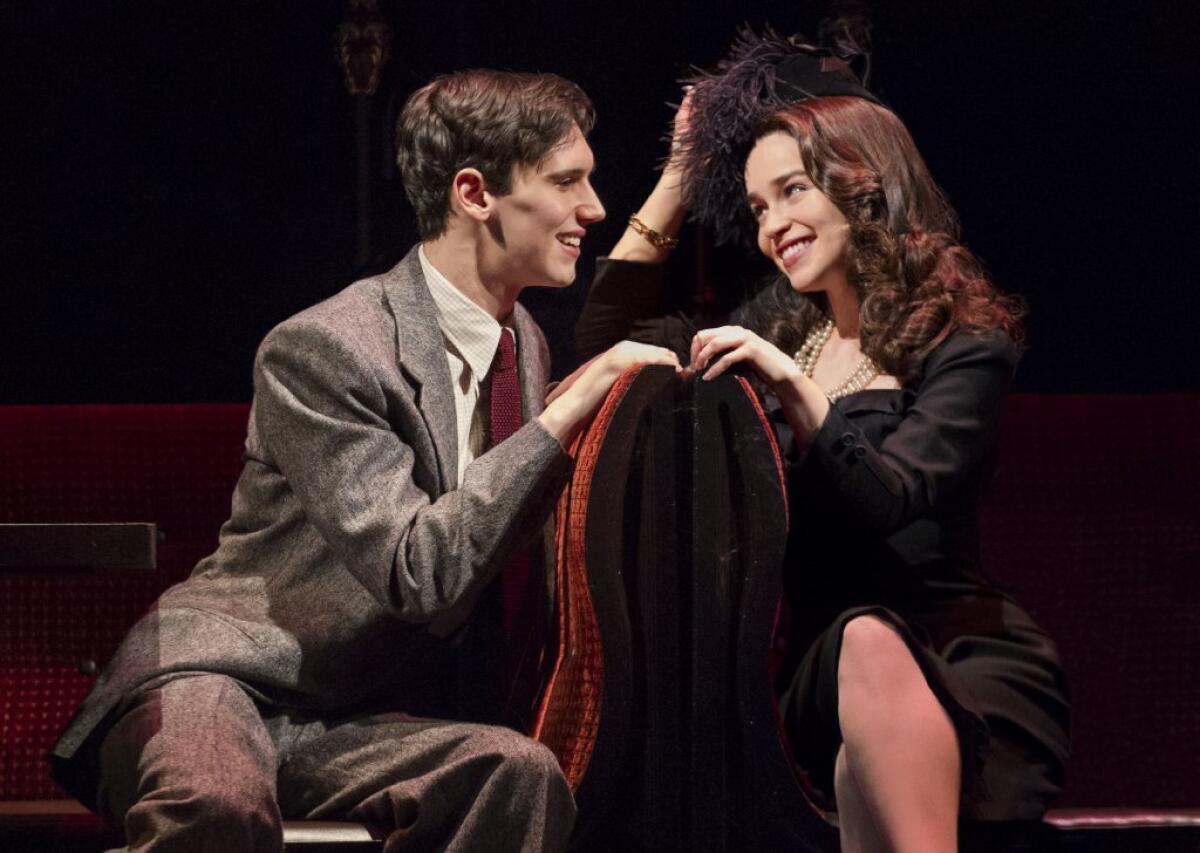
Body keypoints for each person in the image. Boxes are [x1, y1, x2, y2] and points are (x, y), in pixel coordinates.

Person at [48, 69, 679, 852]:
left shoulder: (524, 345)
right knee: (217, 807)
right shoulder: (328, 348)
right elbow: (420, 571)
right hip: (221, 679)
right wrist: (566, 412)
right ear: (475, 193)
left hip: (343, 718)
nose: (593, 207)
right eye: (566, 181)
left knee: (516, 772)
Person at [576, 33, 1070, 853]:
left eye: (793, 192)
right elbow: (607, 338)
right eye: (758, 207)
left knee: (874, 652)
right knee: (858, 644)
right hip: (818, 665)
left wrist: (795, 390)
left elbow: (892, 498)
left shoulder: (963, 341)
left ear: (861, 183)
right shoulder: (776, 330)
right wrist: (677, 178)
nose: (773, 224)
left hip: (962, 655)